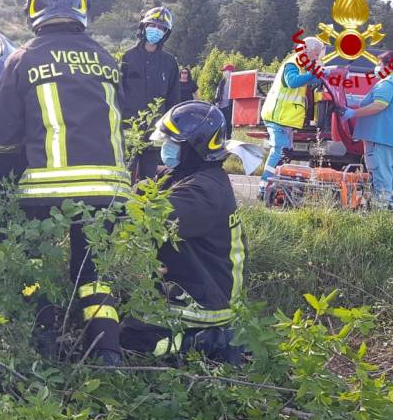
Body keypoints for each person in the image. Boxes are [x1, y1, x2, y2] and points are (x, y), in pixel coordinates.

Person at [0, 0, 130, 366]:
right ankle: (107, 355)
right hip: (108, 188)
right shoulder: (105, 58)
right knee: (92, 273)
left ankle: (44, 346)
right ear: (82, 7)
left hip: (46, 189)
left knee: (36, 263)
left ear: (33, 8)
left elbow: (2, 131)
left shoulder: (22, 58)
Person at [120, 101, 246, 362]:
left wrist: (121, 199)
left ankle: (206, 341)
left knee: (132, 341)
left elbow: (149, 217)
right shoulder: (193, 174)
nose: (166, 148)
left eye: (173, 143)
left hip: (205, 301)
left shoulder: (203, 193)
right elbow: (155, 178)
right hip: (195, 284)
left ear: (195, 147)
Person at [342, 51, 393, 210]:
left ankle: (380, 209)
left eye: (379, 64)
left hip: (382, 136)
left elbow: (379, 105)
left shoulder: (388, 82)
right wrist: (357, 102)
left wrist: (354, 113)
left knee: (381, 171)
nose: (377, 67)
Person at [258, 37, 325, 199]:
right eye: (315, 54)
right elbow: (292, 82)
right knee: (279, 149)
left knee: (286, 153)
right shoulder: (293, 63)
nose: (317, 58)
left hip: (285, 119)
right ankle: (263, 186)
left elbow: (311, 80)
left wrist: (324, 75)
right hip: (276, 117)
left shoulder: (302, 66)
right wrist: (313, 74)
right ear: (307, 51)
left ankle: (277, 187)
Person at [120, 6, 181, 181]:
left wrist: (171, 133)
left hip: (154, 133)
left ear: (166, 33)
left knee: (148, 181)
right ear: (143, 27)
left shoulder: (169, 63)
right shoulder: (126, 58)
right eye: (152, 25)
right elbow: (116, 95)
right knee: (124, 177)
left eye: (161, 28)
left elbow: (173, 101)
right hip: (128, 130)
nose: (156, 30)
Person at [214, 63, 235, 137]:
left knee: (228, 124)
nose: (223, 72)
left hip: (229, 106)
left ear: (230, 71)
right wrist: (216, 102)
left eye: (225, 71)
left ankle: (228, 138)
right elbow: (218, 93)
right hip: (220, 106)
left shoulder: (234, 82)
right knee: (220, 124)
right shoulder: (222, 81)